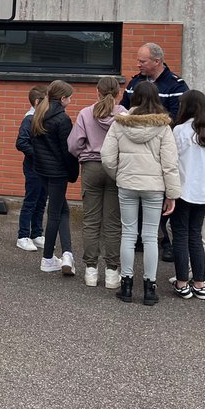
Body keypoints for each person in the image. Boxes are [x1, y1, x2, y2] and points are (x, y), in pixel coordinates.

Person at [101, 80, 180, 306]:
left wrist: (120, 175)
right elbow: (170, 164)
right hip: (155, 187)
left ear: (134, 99)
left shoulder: (119, 124)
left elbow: (106, 157)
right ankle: (149, 287)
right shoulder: (163, 127)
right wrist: (172, 193)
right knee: (150, 237)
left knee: (128, 234)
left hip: (127, 184)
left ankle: (126, 285)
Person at [121, 42, 189, 261]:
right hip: (134, 150)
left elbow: (180, 118)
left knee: (159, 198)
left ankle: (163, 240)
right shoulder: (134, 82)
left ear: (157, 61)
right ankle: (143, 238)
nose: (138, 64)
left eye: (143, 61)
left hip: (160, 150)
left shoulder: (176, 85)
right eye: (138, 60)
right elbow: (123, 110)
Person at [68, 76, 125, 288]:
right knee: (112, 223)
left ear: (97, 92)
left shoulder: (85, 113)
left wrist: (85, 154)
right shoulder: (123, 115)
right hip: (115, 169)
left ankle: (90, 271)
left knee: (91, 221)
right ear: (118, 93)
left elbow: (74, 145)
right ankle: (112, 272)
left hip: (91, 167)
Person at [170, 91, 205, 300]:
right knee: (196, 236)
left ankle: (182, 282)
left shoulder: (181, 131)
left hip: (184, 190)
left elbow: (172, 160)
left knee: (181, 236)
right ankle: (200, 283)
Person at [30, 80, 78, 277]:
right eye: (70, 98)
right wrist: (73, 173)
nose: (71, 101)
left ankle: (67, 253)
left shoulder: (38, 115)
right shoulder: (62, 119)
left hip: (42, 170)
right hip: (58, 172)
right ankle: (48, 258)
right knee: (55, 214)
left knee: (62, 211)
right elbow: (67, 151)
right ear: (63, 98)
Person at [13, 86, 48, 251]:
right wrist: (38, 154)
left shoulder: (41, 117)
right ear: (37, 102)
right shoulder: (29, 119)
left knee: (41, 201)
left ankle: (37, 233)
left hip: (43, 168)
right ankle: (23, 236)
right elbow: (21, 142)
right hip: (33, 167)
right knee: (31, 201)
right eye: (46, 102)